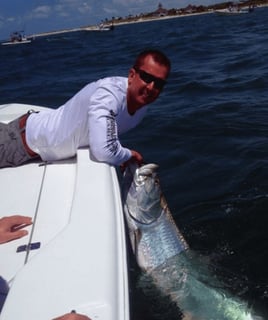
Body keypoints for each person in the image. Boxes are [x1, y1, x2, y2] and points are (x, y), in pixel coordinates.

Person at [0, 49, 171, 168]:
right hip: (16, 143)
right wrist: (129, 155)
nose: (151, 87)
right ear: (132, 75)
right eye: (146, 77)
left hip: (33, 141)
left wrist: (118, 153)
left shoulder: (142, 105)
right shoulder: (109, 95)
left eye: (159, 83)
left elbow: (107, 136)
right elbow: (103, 150)